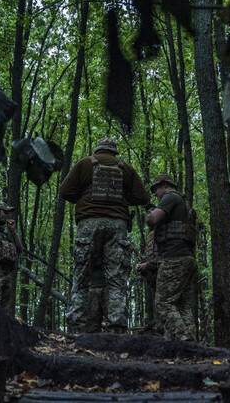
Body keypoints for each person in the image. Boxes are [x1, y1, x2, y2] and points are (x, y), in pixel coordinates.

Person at [59, 137, 150, 333]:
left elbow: (65, 191)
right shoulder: (126, 168)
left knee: (81, 278)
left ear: (97, 149)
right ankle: (117, 328)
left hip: (88, 224)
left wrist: (83, 198)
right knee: (116, 279)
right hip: (117, 226)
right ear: (114, 151)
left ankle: (76, 328)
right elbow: (143, 197)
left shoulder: (84, 164)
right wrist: (122, 198)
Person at [146, 174, 196, 341]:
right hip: (187, 259)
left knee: (163, 303)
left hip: (173, 258)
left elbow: (153, 219)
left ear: (165, 186)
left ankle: (184, 339)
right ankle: (193, 347)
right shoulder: (183, 202)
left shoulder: (170, 197)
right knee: (182, 306)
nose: (155, 194)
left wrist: (149, 215)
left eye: (156, 189)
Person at [134, 225, 159, 333]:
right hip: (154, 278)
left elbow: (164, 259)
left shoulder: (164, 234)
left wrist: (147, 265)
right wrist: (144, 268)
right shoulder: (150, 236)